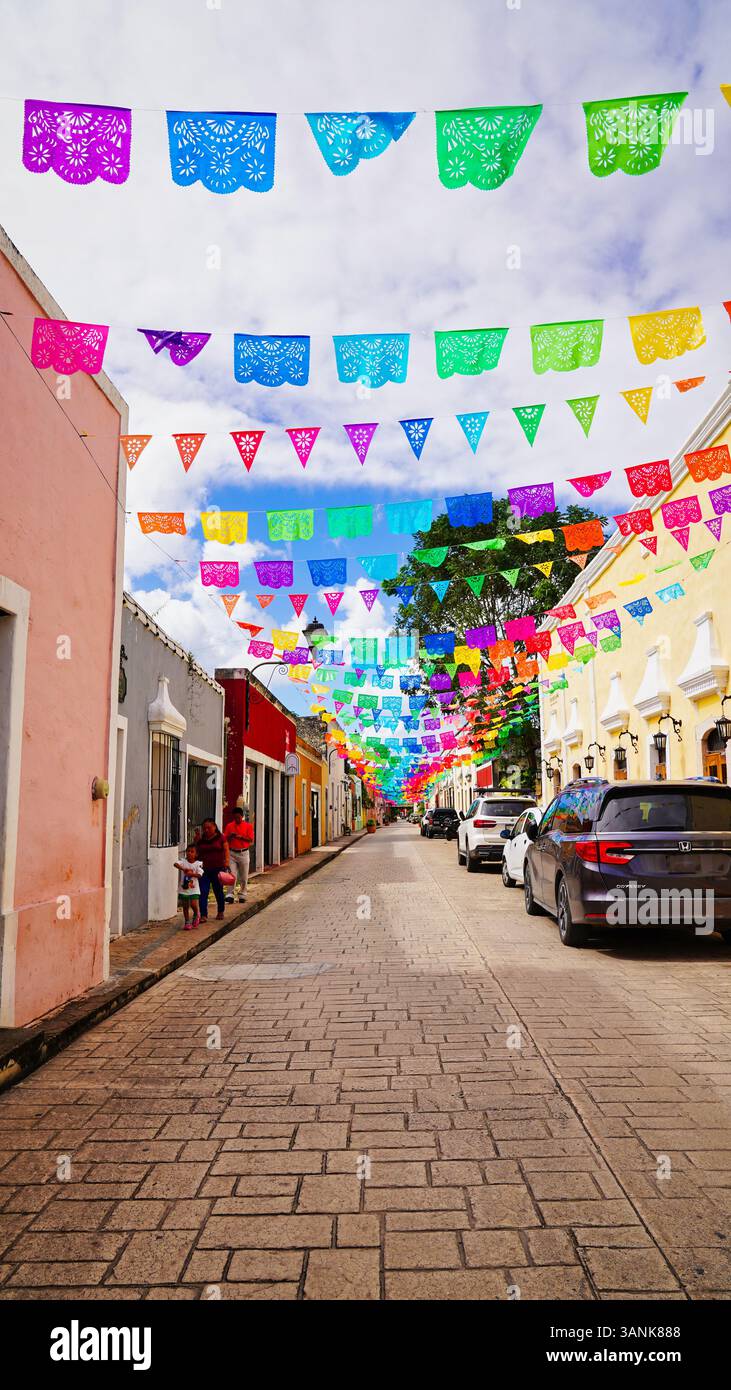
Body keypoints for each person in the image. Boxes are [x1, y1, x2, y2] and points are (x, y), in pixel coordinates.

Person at [195, 818, 229, 921]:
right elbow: (196, 851)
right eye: (204, 828)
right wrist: (196, 840)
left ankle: (220, 911)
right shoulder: (201, 839)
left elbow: (226, 850)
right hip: (204, 869)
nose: (206, 830)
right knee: (203, 892)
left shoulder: (221, 838)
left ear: (214, 827)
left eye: (209, 828)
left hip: (218, 868)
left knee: (218, 891)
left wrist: (226, 864)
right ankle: (203, 914)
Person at [223, 805, 254, 903]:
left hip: (243, 852)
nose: (237, 819)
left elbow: (250, 839)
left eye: (238, 817)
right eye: (235, 817)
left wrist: (240, 837)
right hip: (232, 853)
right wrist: (231, 837)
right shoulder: (229, 826)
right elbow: (225, 839)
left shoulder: (248, 826)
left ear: (242, 816)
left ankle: (242, 894)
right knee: (232, 875)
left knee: (244, 876)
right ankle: (230, 894)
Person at [173, 844, 203, 930]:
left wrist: (192, 874)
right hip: (184, 889)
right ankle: (187, 921)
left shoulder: (198, 864)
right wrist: (183, 869)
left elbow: (200, 875)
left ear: (196, 854)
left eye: (192, 852)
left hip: (194, 889)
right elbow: (175, 864)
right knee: (185, 906)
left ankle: (197, 914)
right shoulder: (183, 862)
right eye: (188, 851)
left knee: (193, 904)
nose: (189, 853)